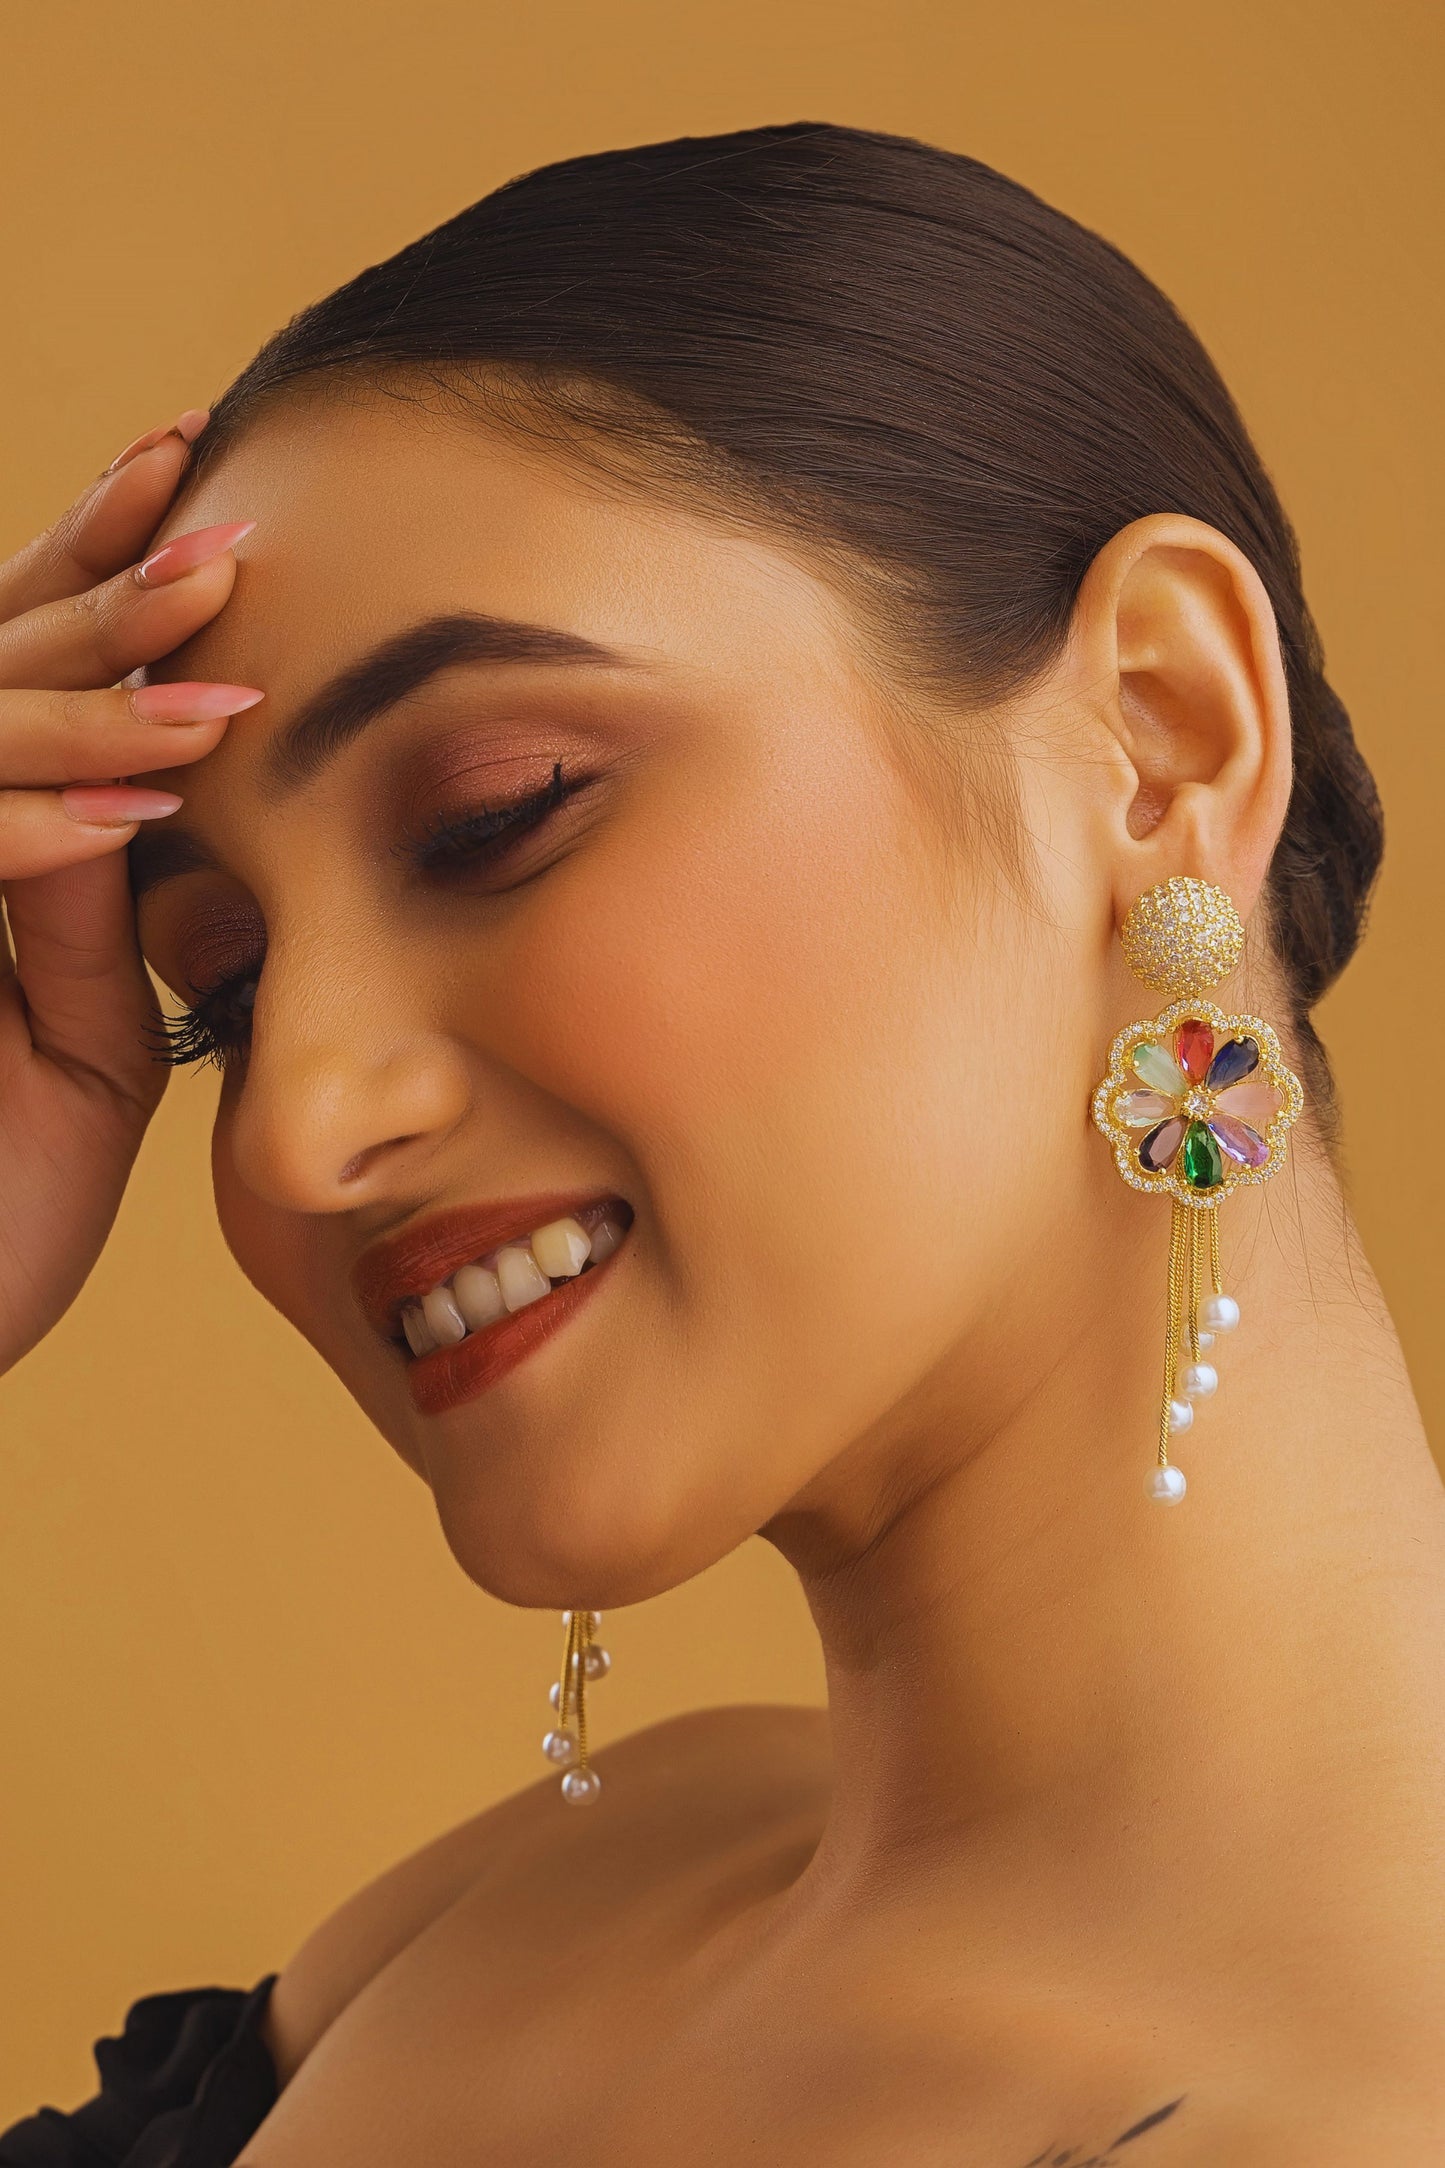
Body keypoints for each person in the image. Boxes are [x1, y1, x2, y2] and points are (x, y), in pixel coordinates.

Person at [1, 122, 1441, 2168]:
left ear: (1161, 731)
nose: (300, 1127)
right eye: (220, 997)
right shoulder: (519, 1909)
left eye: (497, 813)